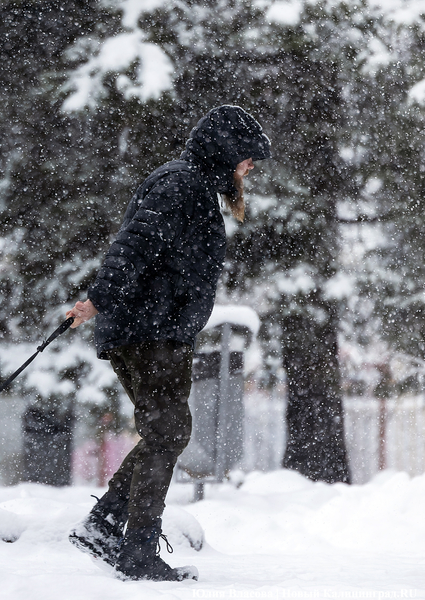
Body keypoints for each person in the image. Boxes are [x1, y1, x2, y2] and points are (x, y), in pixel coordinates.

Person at [66, 105, 271, 582]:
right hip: (148, 330)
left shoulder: (192, 185)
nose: (251, 167)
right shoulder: (182, 183)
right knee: (169, 432)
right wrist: (98, 300)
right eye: (247, 157)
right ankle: (132, 548)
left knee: (168, 432)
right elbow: (134, 245)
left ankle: (107, 526)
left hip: (156, 328)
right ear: (225, 152)